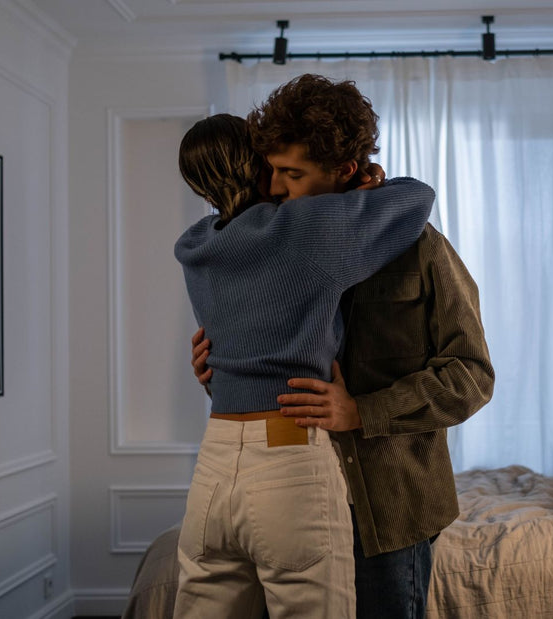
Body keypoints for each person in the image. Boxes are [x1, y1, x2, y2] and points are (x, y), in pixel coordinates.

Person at [192, 74, 495, 618]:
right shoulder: (266, 244)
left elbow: (471, 374)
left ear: (346, 170)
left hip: (385, 507)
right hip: (284, 492)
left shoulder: (419, 246)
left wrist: (363, 411)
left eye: (293, 174)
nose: (275, 189)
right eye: (271, 171)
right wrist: (215, 368)